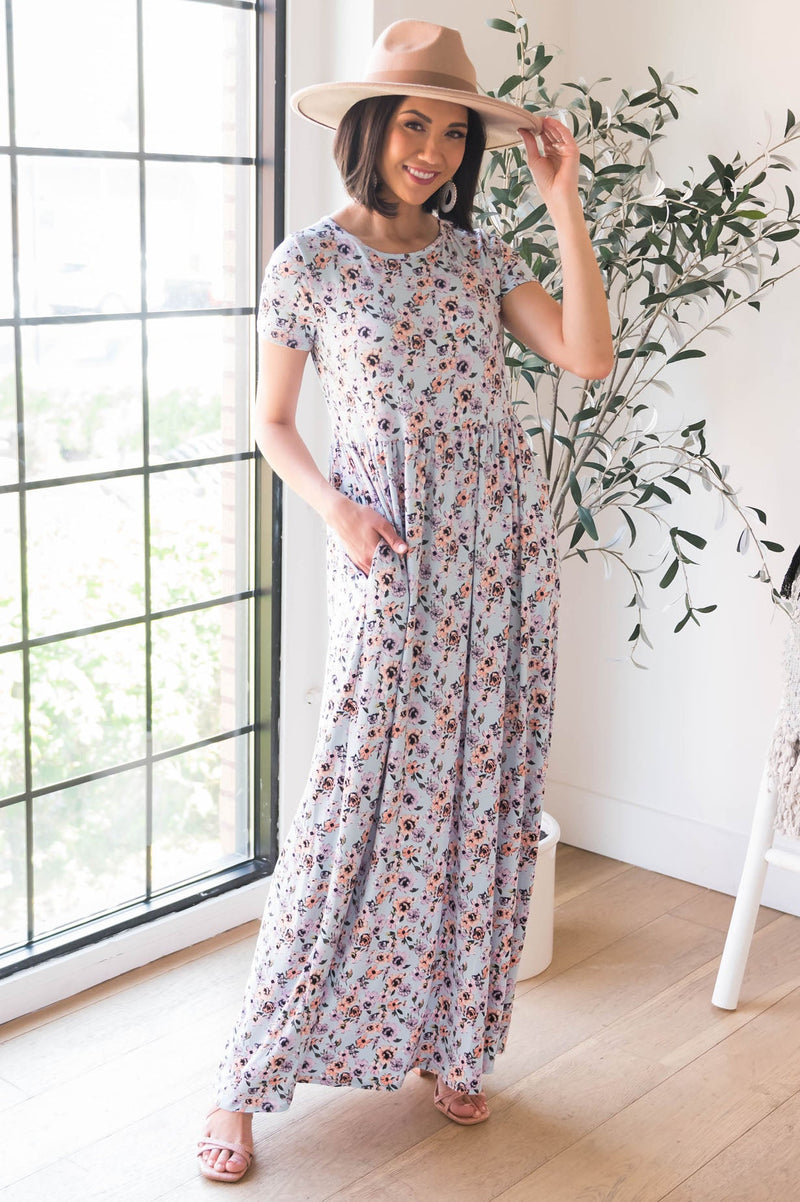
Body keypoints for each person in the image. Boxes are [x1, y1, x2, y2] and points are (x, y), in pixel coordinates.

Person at [197, 18, 613, 1184]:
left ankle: (451, 1040)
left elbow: (585, 356)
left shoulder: (482, 260)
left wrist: (562, 204)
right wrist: (336, 511)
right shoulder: (310, 262)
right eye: (412, 125)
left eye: (452, 133)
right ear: (370, 127)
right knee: (350, 803)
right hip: (390, 552)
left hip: (500, 557)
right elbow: (272, 422)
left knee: (481, 795)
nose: (431, 150)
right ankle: (243, 1076)